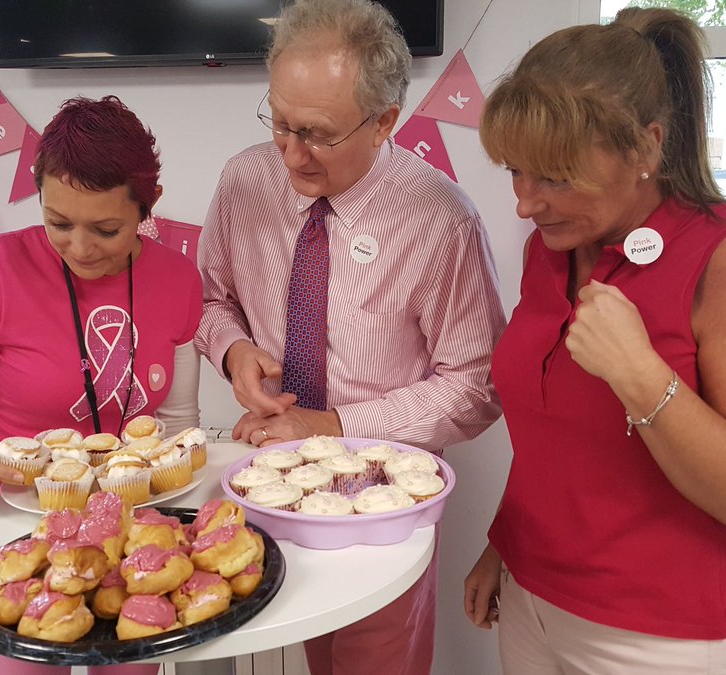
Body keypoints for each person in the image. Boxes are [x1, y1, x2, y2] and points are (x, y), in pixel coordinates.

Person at [461, 8, 726, 674]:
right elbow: (553, 435)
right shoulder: (552, 247)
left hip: (659, 634)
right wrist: (503, 545)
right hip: (534, 596)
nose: (525, 203)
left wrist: (641, 374)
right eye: (516, 171)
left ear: (647, 148)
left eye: (556, 177)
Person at [194, 1, 505, 673]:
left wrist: (332, 423)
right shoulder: (244, 181)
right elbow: (212, 300)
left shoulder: (442, 219)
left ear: (384, 121)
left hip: (384, 500)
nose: (291, 153)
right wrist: (233, 349)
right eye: (279, 123)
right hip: (274, 480)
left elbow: (478, 382)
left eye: (317, 133)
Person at [0, 95, 200, 675]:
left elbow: (175, 432)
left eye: (106, 228)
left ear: (145, 211)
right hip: (11, 540)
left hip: (127, 542)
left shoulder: (178, 278)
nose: (80, 248)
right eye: (58, 223)